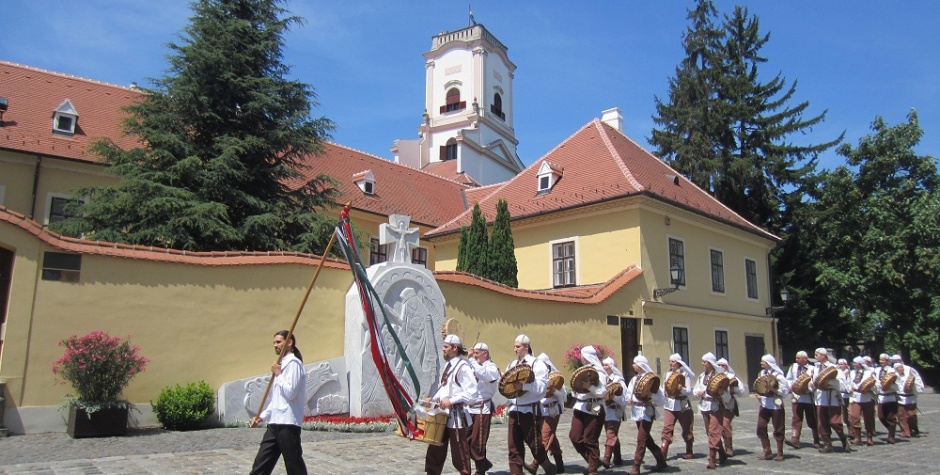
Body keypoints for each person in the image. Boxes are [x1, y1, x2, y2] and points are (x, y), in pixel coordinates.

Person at [249, 330, 309, 475]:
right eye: (274, 343)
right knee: (260, 465)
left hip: (288, 423)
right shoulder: (281, 364)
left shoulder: (294, 364)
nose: (275, 345)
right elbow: (277, 400)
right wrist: (262, 416)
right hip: (274, 423)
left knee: (294, 467)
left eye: (278, 342)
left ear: (289, 342)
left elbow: (291, 392)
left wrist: (279, 374)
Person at [424, 334, 478, 475]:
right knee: (435, 449)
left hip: (457, 417)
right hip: (442, 415)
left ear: (455, 348)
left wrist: (452, 401)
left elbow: (472, 393)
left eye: (446, 347)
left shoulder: (463, 367)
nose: (443, 350)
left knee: (460, 454)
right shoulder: (448, 365)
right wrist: (434, 398)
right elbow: (445, 386)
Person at [504, 335, 554, 475]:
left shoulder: (537, 364)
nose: (515, 349)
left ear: (527, 347)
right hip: (515, 409)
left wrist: (523, 386)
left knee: (535, 445)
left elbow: (541, 388)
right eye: (514, 346)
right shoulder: (512, 365)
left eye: (518, 346)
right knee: (513, 447)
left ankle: (548, 467)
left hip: (530, 409)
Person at [624, 355, 668, 475]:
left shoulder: (652, 380)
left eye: (635, 363)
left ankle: (636, 467)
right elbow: (628, 394)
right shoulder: (634, 379)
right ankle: (661, 460)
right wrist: (630, 399)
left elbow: (661, 399)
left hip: (647, 411)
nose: (633, 365)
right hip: (637, 410)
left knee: (641, 439)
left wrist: (650, 395)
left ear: (640, 365)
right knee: (647, 439)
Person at [568, 345, 608, 475]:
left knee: (590, 439)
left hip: (594, 406)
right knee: (574, 436)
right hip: (580, 406)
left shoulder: (599, 372)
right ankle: (594, 461)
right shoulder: (581, 371)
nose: (581, 357)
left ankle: (592, 469)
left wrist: (589, 387)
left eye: (582, 355)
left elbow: (602, 392)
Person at [808, 348, 850, 453]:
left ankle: (843, 439)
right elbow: (811, 381)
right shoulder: (815, 368)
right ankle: (828, 444)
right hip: (820, 399)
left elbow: (842, 384)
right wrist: (812, 385)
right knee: (822, 423)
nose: (815, 356)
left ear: (823, 355)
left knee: (834, 422)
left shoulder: (833, 368)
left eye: (817, 354)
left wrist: (829, 383)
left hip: (832, 398)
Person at [693, 352, 729, 470]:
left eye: (704, 362)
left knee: (714, 431)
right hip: (704, 405)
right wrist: (698, 392)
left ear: (710, 363)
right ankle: (722, 454)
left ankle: (712, 459)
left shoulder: (720, 377)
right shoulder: (702, 376)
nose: (702, 364)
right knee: (710, 432)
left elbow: (726, 394)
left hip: (715, 406)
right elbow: (695, 389)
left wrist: (720, 392)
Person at [469, 342, 499, 475]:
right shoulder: (473, 365)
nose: (474, 356)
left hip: (482, 408)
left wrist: (471, 360)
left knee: (478, 441)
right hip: (469, 408)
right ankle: (483, 462)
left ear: (484, 353)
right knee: (464, 440)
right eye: (474, 353)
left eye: (477, 353)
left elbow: (483, 375)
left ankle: (480, 469)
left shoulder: (491, 368)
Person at [659, 354, 695, 461]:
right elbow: (663, 387)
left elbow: (689, 390)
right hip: (670, 404)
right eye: (670, 361)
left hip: (683, 405)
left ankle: (689, 451)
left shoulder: (685, 374)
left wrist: (681, 389)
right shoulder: (668, 374)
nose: (671, 363)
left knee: (687, 429)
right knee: (667, 428)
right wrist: (663, 392)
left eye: (673, 362)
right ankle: (663, 453)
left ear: (678, 363)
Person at [537, 353, 567, 473]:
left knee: (545, 436)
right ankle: (559, 464)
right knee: (551, 436)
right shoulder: (538, 376)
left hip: (553, 410)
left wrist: (554, 391)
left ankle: (538, 463)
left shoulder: (556, 377)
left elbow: (563, 397)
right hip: (541, 410)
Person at [755, 354, 789, 461]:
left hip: (776, 404)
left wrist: (774, 390)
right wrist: (760, 394)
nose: (761, 363)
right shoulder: (762, 374)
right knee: (760, 427)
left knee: (778, 428)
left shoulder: (778, 376)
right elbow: (759, 387)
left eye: (763, 362)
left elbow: (785, 391)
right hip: (765, 404)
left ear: (768, 363)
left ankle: (780, 452)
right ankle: (767, 450)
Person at [784, 350, 819, 449]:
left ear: (805, 359)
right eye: (796, 358)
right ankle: (795, 439)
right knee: (796, 418)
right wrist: (790, 386)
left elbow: (814, 382)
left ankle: (816, 439)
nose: (796, 360)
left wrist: (808, 389)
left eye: (798, 358)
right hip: (797, 397)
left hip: (808, 397)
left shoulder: (812, 369)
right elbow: (789, 379)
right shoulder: (793, 367)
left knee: (812, 418)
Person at [716, 358, 748, 455]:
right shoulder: (715, 377)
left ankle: (729, 447)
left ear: (726, 366)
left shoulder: (732, 376)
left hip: (728, 405)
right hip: (717, 404)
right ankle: (719, 448)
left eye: (723, 365)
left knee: (725, 425)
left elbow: (742, 392)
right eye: (719, 365)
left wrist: (734, 388)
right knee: (717, 427)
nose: (721, 367)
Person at [600, 357, 627, 468]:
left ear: (611, 367)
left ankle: (607, 458)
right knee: (612, 433)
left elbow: (624, 398)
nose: (604, 367)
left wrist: (613, 397)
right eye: (603, 365)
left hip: (615, 410)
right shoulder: (602, 379)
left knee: (610, 433)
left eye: (606, 365)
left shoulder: (618, 380)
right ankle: (618, 458)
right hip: (605, 410)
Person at [891, 354, 924, 438]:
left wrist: (914, 387)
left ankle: (914, 428)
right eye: (894, 362)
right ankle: (906, 431)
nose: (896, 363)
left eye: (897, 361)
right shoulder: (892, 372)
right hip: (899, 396)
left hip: (910, 396)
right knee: (901, 415)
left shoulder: (910, 370)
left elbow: (917, 379)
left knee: (911, 415)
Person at [848, 356, 876, 446]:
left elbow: (875, 383)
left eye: (855, 363)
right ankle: (858, 438)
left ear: (860, 364)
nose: (853, 364)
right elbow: (848, 382)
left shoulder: (869, 372)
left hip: (866, 397)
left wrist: (868, 388)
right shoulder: (852, 373)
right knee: (854, 416)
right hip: (855, 397)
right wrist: (849, 388)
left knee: (868, 418)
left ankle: (869, 437)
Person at [874, 353, 899, 444]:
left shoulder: (892, 371)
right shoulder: (877, 370)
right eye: (880, 360)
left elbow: (897, 382)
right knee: (881, 416)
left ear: (888, 361)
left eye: (883, 360)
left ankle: (891, 436)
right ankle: (891, 429)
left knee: (891, 416)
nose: (881, 362)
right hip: (881, 396)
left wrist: (889, 385)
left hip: (890, 395)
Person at [837, 358, 852, 435]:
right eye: (839, 364)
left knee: (848, 413)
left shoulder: (849, 373)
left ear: (846, 365)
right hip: (839, 395)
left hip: (847, 395)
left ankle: (851, 430)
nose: (840, 366)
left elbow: (850, 383)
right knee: (842, 414)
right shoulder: (838, 373)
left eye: (841, 364)